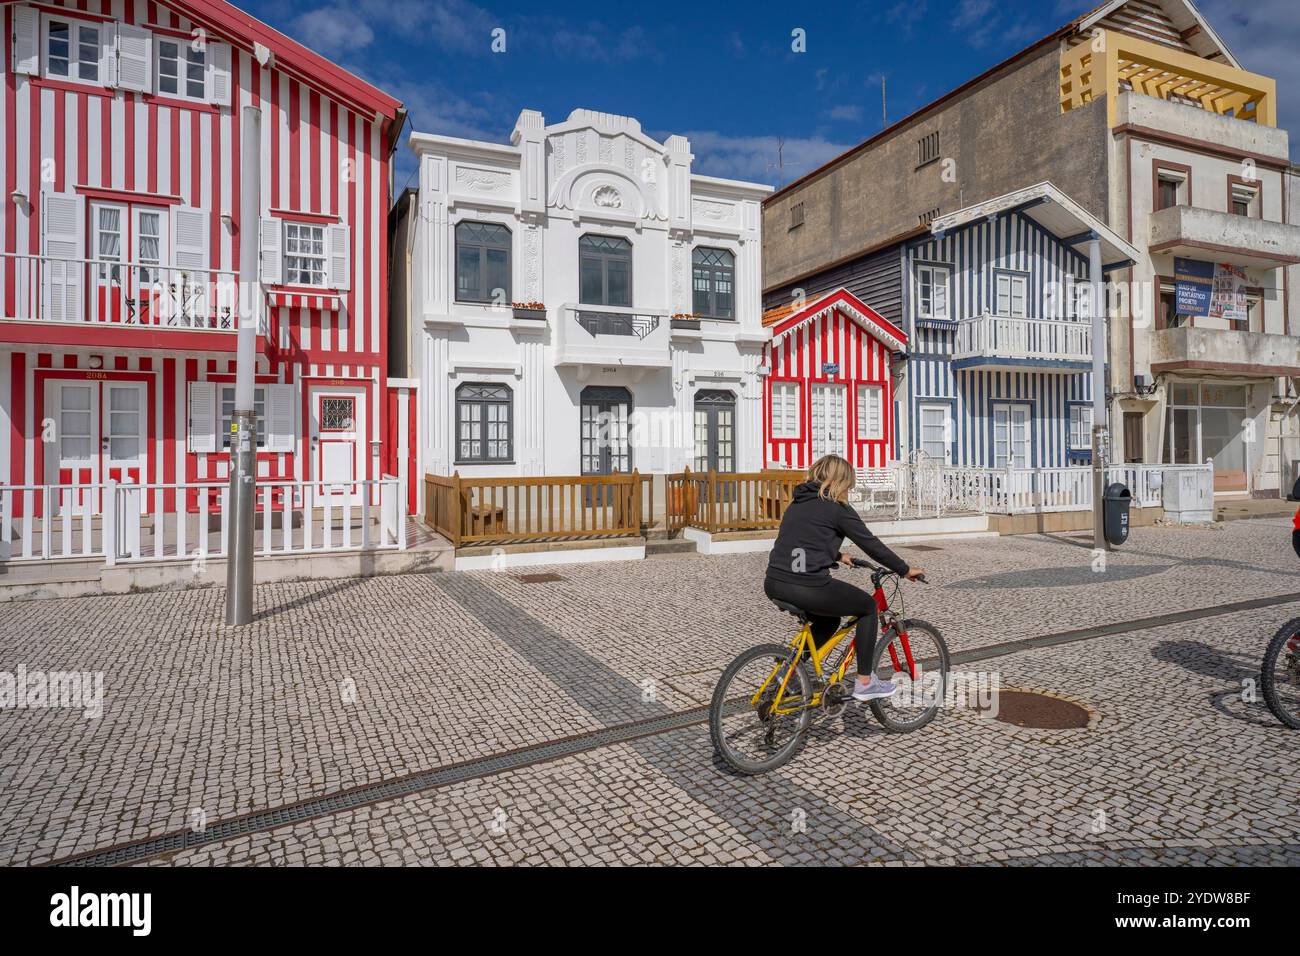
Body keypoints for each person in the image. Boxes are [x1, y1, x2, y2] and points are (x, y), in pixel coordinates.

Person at [765, 454, 926, 702]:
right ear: (841, 482)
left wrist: (838, 555)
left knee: (828, 622)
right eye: (849, 486)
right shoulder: (837, 509)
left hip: (775, 582)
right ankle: (865, 682)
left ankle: (790, 671)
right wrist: (903, 569)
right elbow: (870, 543)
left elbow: (802, 543)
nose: (849, 492)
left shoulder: (798, 503)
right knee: (868, 607)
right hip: (806, 585)